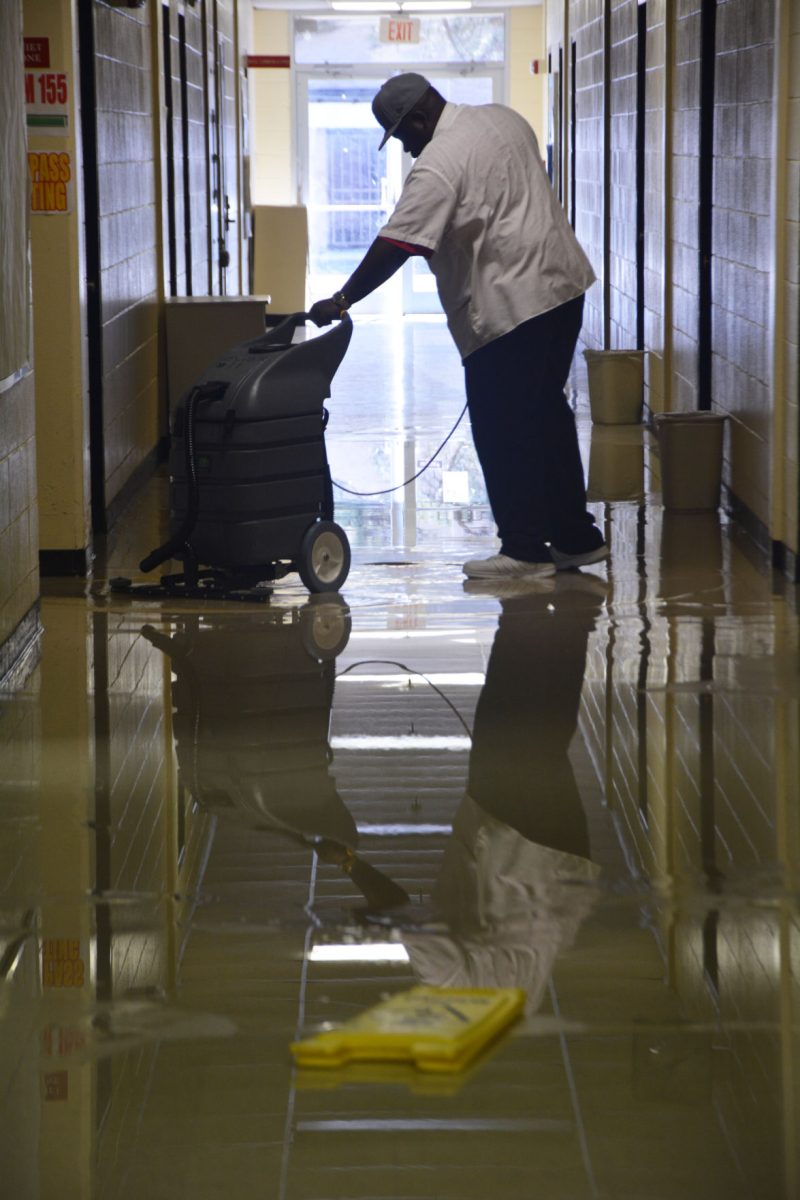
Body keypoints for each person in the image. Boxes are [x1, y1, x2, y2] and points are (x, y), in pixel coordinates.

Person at [309, 72, 609, 581]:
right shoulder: (502, 118)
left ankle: (526, 550)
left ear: (420, 120)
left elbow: (398, 243)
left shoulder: (438, 164)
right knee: (546, 414)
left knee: (502, 427)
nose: (406, 151)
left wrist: (342, 300)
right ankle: (576, 538)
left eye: (403, 137)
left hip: (512, 308)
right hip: (563, 291)